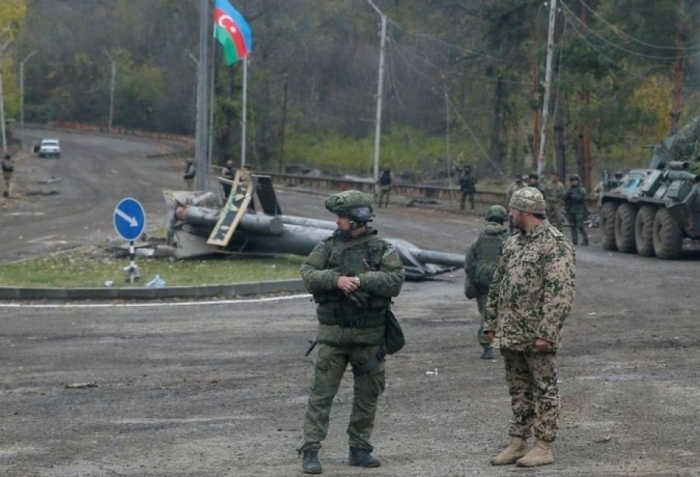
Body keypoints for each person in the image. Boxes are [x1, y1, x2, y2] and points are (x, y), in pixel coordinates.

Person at [297, 190, 405, 474]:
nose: (337, 222)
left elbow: (395, 280)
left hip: (370, 339)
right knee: (321, 396)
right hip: (333, 337)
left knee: (367, 396)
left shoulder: (381, 248)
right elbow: (308, 274)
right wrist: (336, 280)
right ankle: (310, 450)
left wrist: (361, 280)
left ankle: (360, 448)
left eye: (342, 217)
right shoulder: (328, 247)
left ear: (358, 219)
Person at [484, 187, 576, 468]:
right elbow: (498, 283)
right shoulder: (513, 243)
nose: (508, 214)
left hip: (537, 334)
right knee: (518, 388)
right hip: (510, 332)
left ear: (525, 211)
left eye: (512, 209)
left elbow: (560, 292)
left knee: (544, 388)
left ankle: (544, 444)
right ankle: (518, 440)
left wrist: (547, 332)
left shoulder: (555, 244)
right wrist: (490, 321)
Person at [464, 204, 509, 360]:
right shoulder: (509, 239)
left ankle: (487, 347)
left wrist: (472, 280)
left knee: (486, 315)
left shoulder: (479, 239)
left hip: (483, 284)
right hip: (503, 283)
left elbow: (468, 263)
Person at [563, 174, 589, 245]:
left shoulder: (581, 189)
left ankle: (585, 239)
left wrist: (574, 196)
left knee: (580, 225)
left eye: (575, 181)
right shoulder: (569, 190)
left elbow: (582, 197)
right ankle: (574, 240)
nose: (574, 182)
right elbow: (564, 197)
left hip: (579, 210)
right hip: (571, 210)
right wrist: (568, 194)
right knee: (572, 226)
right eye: (572, 181)